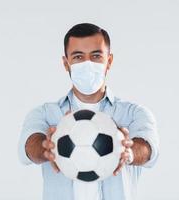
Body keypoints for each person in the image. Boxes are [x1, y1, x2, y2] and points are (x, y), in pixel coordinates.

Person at [18, 23, 159, 200]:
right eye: (78, 57)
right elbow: (27, 148)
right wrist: (46, 147)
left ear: (109, 61)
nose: (87, 64)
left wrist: (128, 151)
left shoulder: (134, 114)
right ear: (66, 63)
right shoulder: (44, 114)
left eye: (96, 56)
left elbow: (149, 150)